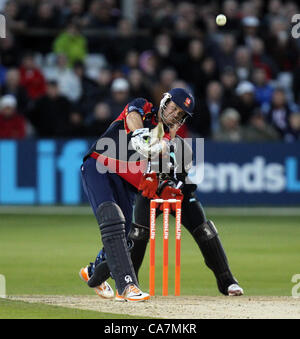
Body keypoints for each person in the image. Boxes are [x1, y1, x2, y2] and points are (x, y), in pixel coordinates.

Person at [79, 88, 195, 302]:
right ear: (165, 101)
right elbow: (132, 117)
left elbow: (164, 171)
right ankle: (127, 286)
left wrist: (167, 182)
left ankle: (93, 273)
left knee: (124, 237)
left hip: (126, 184)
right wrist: (141, 135)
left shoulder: (167, 139)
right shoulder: (144, 107)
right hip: (99, 166)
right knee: (112, 219)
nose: (175, 115)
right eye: (174, 108)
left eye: (181, 114)